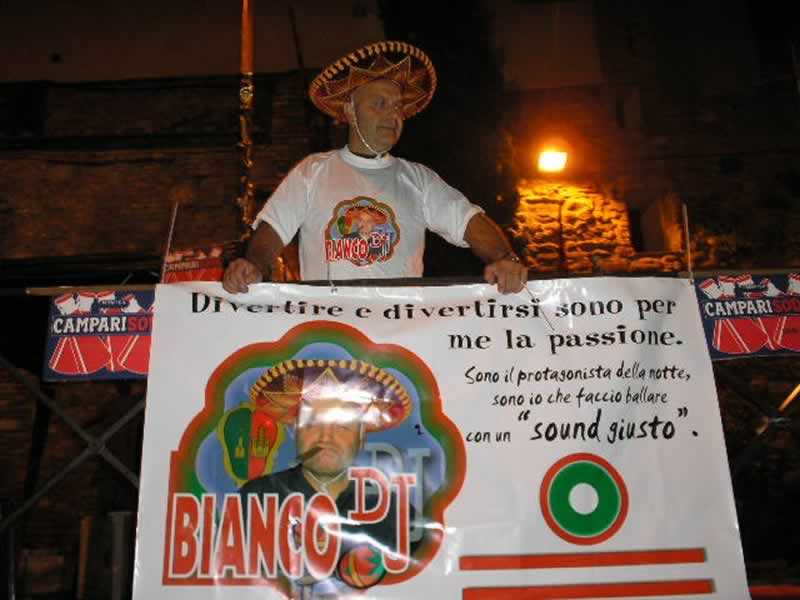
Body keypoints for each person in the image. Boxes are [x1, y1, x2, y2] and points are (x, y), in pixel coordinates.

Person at [223, 40, 527, 295]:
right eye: (379, 104)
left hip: (399, 337)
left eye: (397, 107)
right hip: (331, 333)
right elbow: (273, 230)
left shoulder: (418, 179)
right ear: (350, 111)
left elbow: (470, 222)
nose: (392, 115)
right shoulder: (312, 171)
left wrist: (504, 258)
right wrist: (254, 265)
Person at [239, 359, 418, 595]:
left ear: (361, 438)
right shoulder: (255, 498)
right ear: (296, 432)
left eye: (342, 425)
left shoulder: (396, 514)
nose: (326, 437)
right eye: (313, 423)